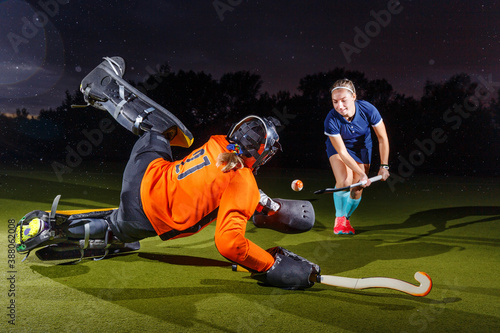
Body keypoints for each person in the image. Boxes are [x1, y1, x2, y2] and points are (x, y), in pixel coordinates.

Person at [15, 56, 319, 290]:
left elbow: (229, 184)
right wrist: (267, 265)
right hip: (146, 215)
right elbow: (229, 243)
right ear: (263, 154)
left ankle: (104, 90)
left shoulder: (217, 143)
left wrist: (270, 207)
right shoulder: (244, 185)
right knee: (117, 226)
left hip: (145, 170)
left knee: (160, 129)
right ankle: (52, 228)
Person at [324, 78, 390, 235]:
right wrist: (361, 174)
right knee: (345, 180)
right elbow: (342, 152)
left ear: (353, 96)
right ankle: (339, 220)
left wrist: (384, 166)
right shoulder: (331, 119)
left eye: (343, 100)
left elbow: (382, 138)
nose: (339, 106)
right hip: (339, 149)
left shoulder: (368, 110)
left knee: (357, 188)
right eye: (335, 102)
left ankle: (345, 218)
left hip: (362, 148)